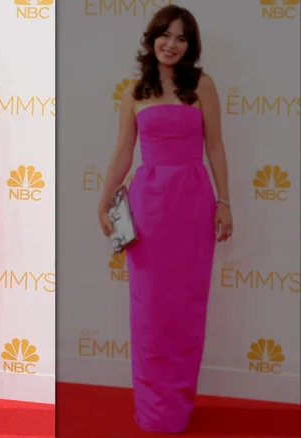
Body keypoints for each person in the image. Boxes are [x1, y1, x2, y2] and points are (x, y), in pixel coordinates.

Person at [97, 4, 233, 434]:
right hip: (147, 211)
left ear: (189, 46)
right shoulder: (135, 91)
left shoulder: (202, 86)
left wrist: (224, 202)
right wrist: (104, 201)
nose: (171, 44)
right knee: (150, 310)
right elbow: (123, 152)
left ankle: (178, 408)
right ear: (152, 38)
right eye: (165, 35)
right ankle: (153, 410)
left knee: (186, 308)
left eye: (181, 38)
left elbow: (216, 148)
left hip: (192, 206)